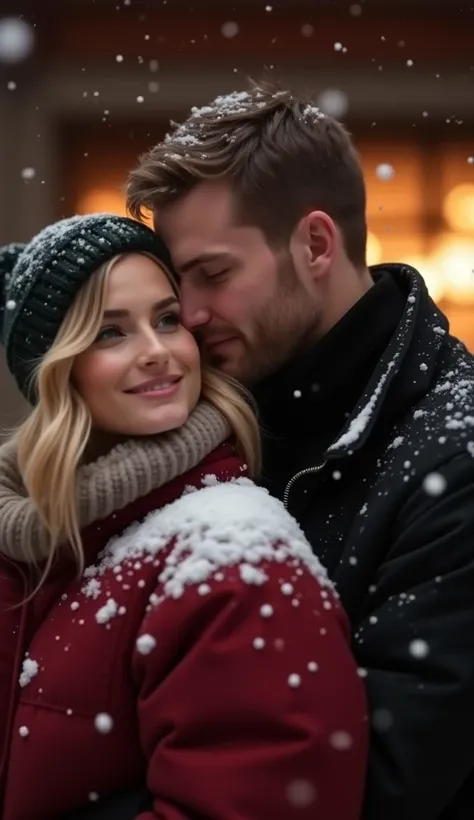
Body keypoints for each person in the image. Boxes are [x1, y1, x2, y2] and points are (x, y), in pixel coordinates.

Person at [126, 82, 474, 820]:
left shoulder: (456, 460)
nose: (187, 315)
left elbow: (374, 783)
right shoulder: (206, 418)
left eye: (214, 274)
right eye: (177, 281)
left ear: (315, 244)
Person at [0, 213, 367, 820]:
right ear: (55, 373)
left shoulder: (233, 558)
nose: (158, 352)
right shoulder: (37, 544)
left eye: (167, 319)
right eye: (110, 333)